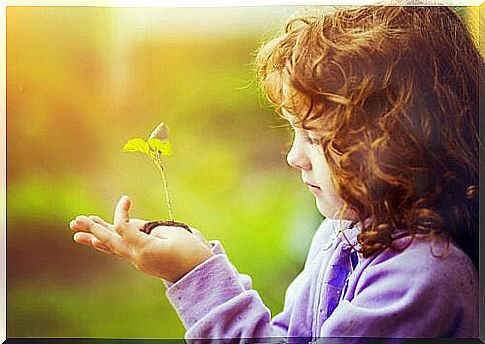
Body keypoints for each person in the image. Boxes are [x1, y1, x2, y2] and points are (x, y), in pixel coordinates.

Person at [70, 4, 481, 341]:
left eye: (316, 136)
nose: (293, 157)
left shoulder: (422, 280)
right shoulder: (340, 234)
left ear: (397, 144)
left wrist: (193, 274)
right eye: (293, 131)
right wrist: (193, 263)